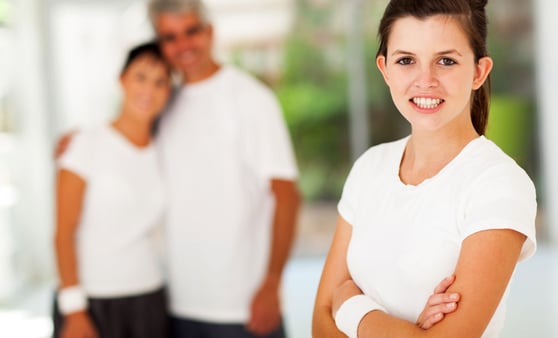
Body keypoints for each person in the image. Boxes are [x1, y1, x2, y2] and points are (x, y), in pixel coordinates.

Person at [312, 0, 537, 337]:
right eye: (406, 61)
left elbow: (333, 307)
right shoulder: (370, 167)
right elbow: (319, 324)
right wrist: (410, 330)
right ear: (384, 69)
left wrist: (350, 305)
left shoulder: (498, 185)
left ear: (479, 71)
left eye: (446, 61)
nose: (425, 80)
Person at [146, 1, 301, 337]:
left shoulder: (251, 99)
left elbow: (287, 196)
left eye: (191, 31)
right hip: (180, 304)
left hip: (243, 307)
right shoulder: (162, 106)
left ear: (210, 32)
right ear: (160, 45)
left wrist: (271, 284)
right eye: (170, 37)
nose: (183, 45)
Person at [53, 42, 171, 338]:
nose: (148, 90)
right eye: (140, 77)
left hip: (150, 298)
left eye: (160, 82)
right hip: (93, 302)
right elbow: (63, 233)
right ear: (122, 80)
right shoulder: (85, 144)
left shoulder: (165, 151)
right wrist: (74, 309)